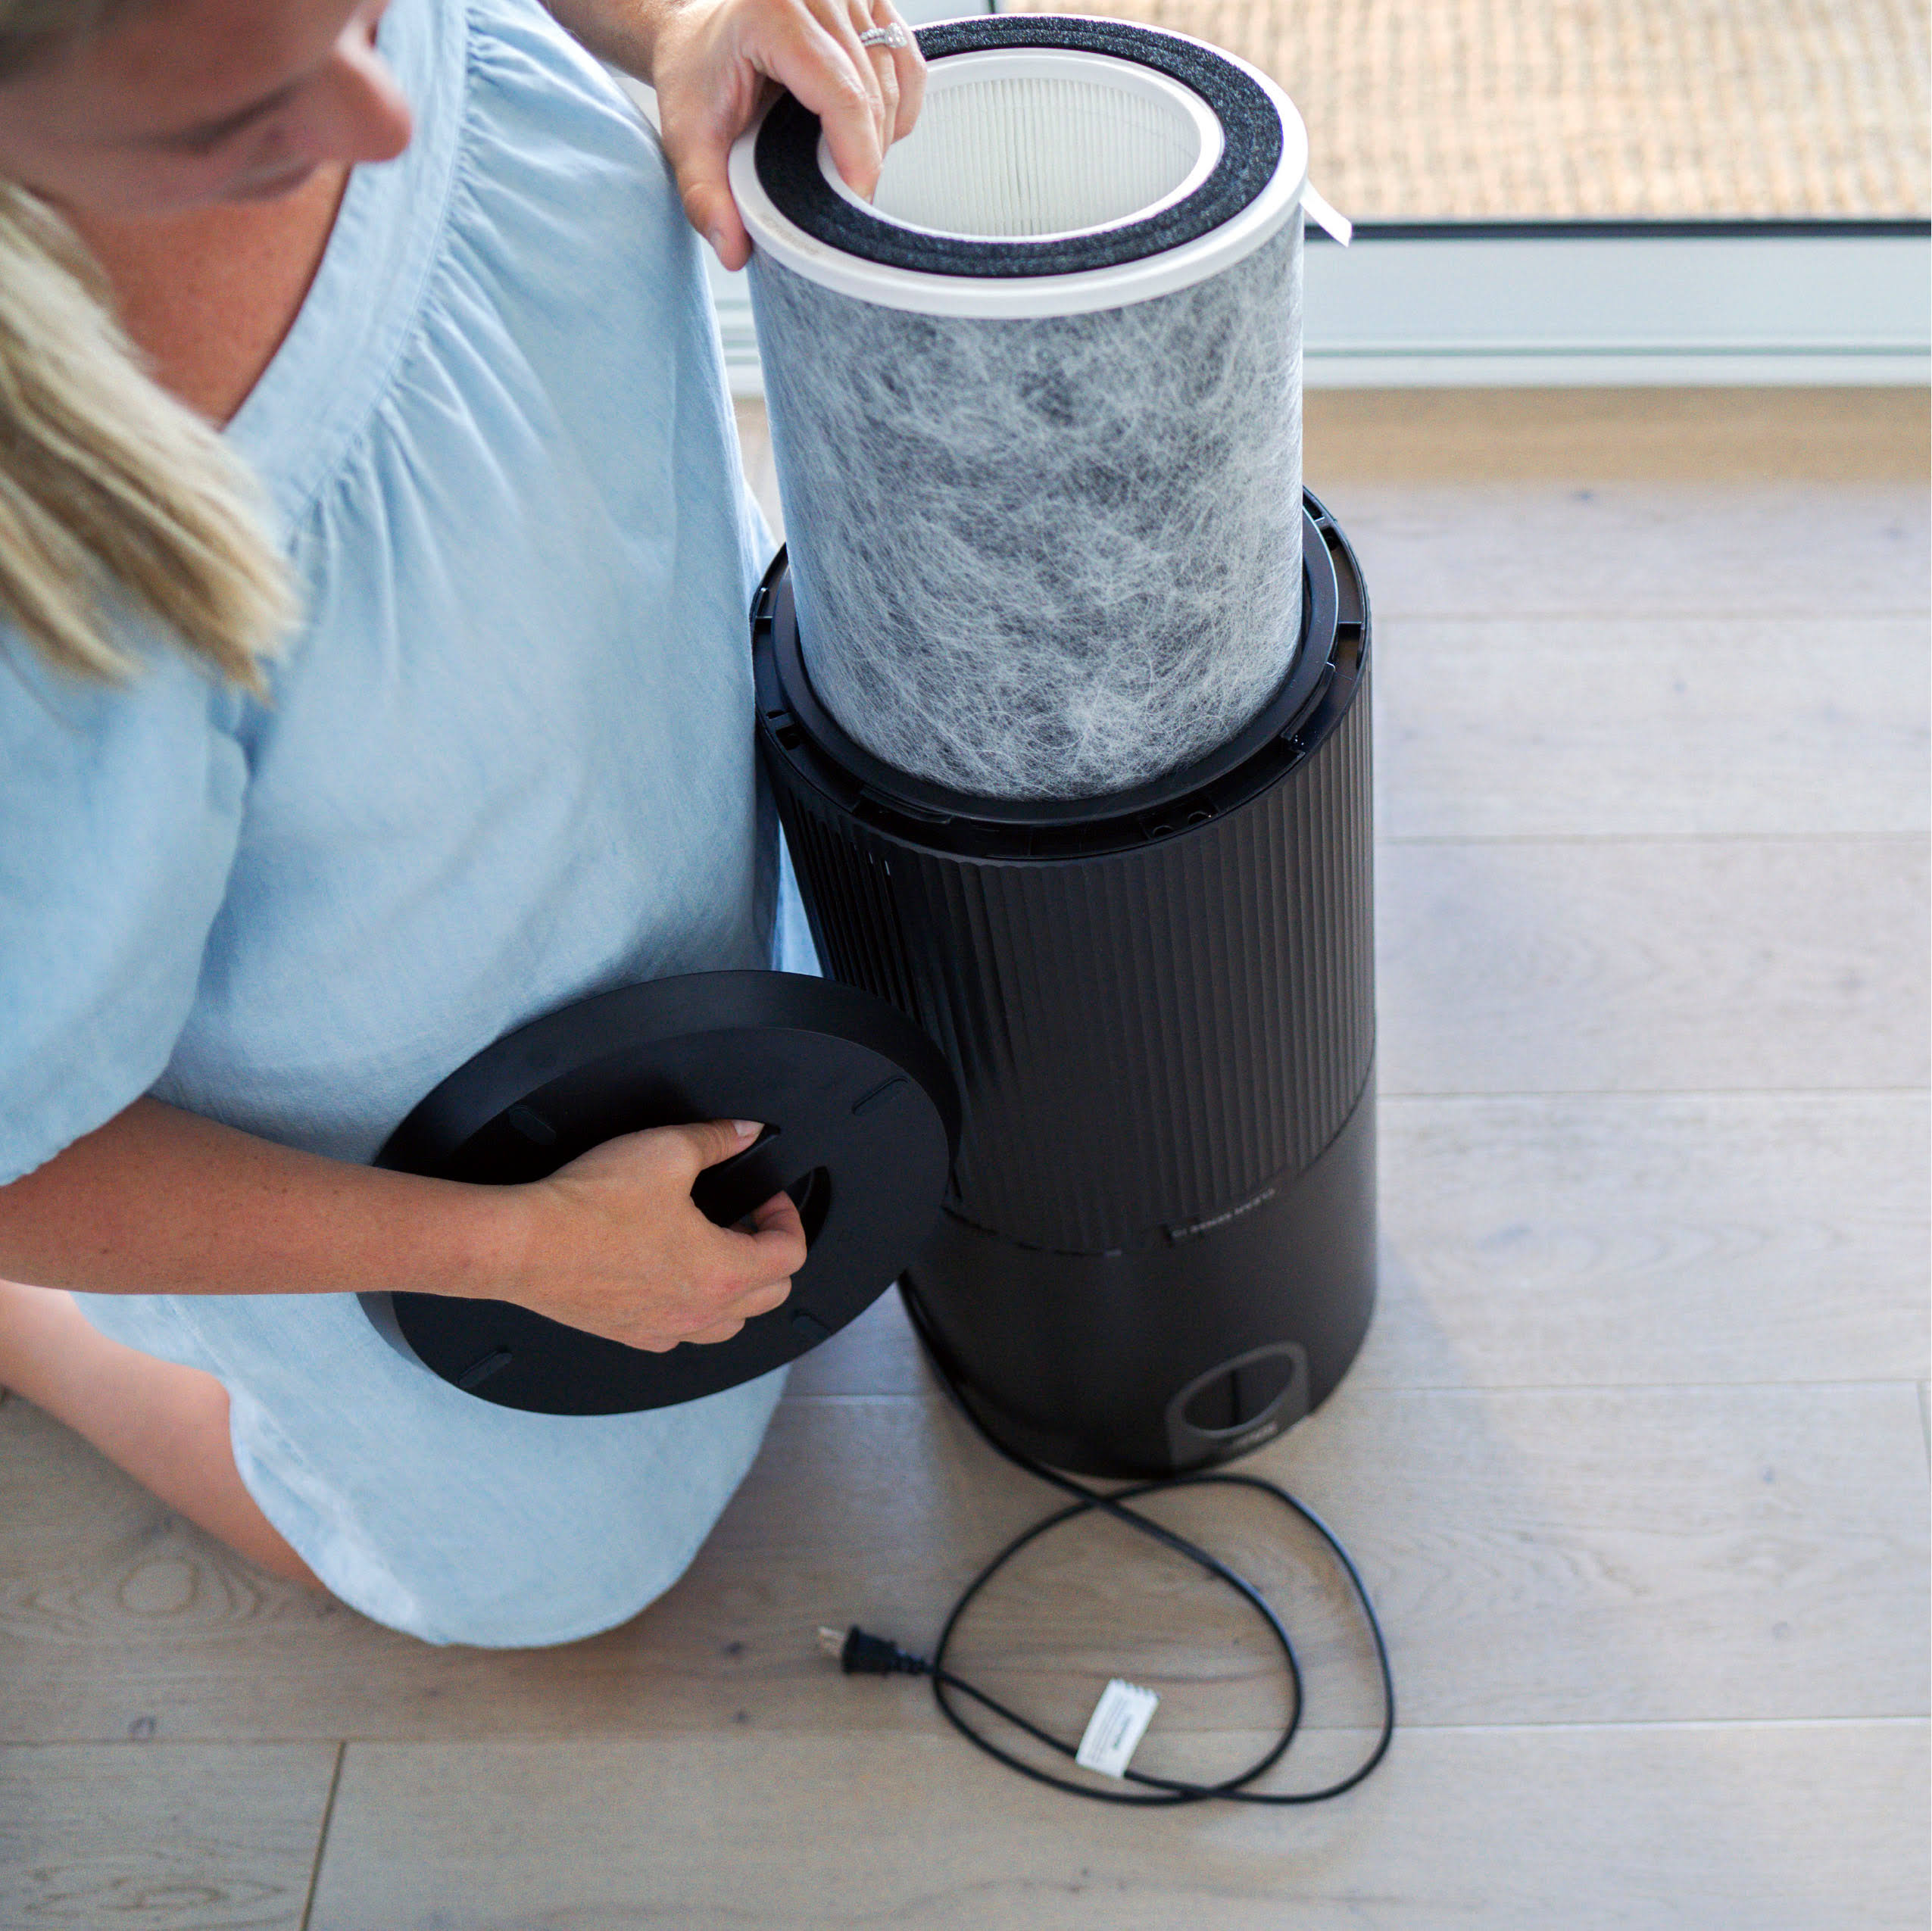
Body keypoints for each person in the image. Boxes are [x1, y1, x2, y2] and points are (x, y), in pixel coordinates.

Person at [0, 0, 923, 1644]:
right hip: (400, 1172)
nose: (383, 120)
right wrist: (510, 1252)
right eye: (238, 122)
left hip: (630, 788)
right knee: (553, 1568)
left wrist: (678, 25)